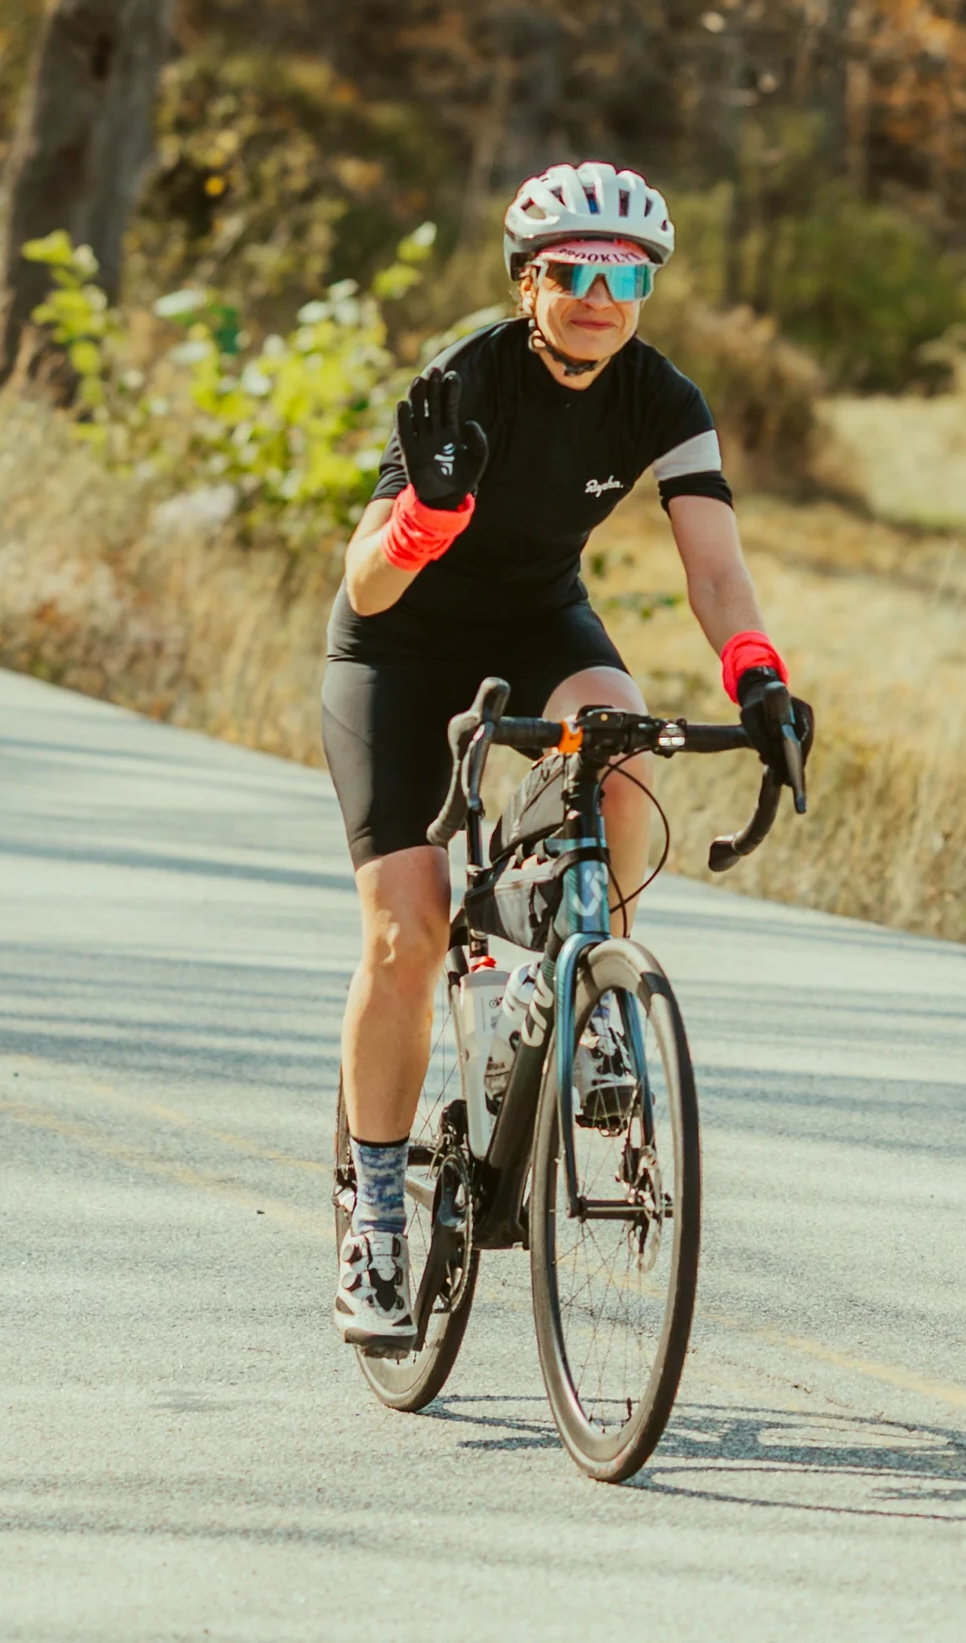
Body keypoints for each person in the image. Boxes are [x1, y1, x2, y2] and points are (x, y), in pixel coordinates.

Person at [323, 161, 812, 1351]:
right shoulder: (466, 378)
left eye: (627, 275)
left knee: (627, 752)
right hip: (399, 649)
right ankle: (376, 1215)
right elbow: (362, 578)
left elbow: (712, 565)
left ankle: (575, 967)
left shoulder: (660, 395)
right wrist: (423, 518)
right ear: (527, 282)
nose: (602, 294)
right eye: (576, 273)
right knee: (407, 929)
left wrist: (757, 672)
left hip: (540, 622)